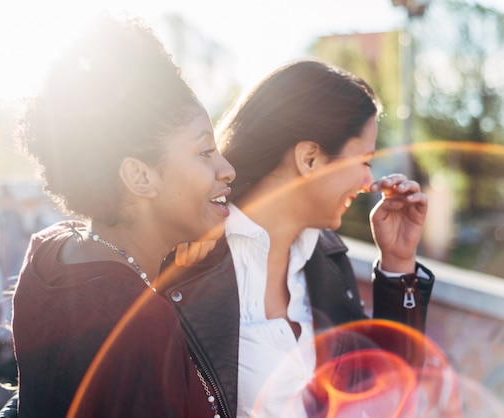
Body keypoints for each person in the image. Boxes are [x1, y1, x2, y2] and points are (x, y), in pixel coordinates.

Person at [157, 59, 435, 418]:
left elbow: (385, 390)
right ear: (311, 159)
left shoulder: (328, 262)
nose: (370, 182)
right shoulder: (187, 261)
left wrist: (398, 264)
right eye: (364, 159)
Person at [5, 15, 236, 418]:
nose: (227, 169)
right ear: (140, 176)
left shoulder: (49, 253)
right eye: (204, 152)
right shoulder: (139, 324)